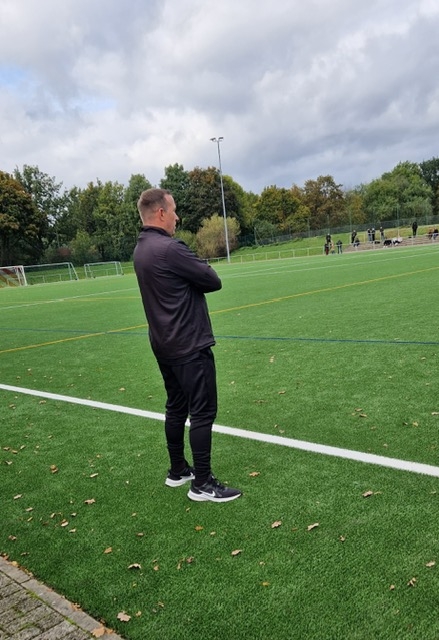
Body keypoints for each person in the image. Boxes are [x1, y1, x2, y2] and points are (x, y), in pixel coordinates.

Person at [133, 188, 241, 503]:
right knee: (203, 412)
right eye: (174, 210)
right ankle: (202, 484)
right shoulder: (169, 248)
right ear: (161, 213)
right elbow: (212, 280)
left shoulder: (141, 249)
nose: (177, 217)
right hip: (188, 343)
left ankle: (178, 470)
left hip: (163, 343)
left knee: (176, 406)